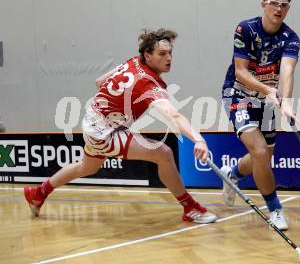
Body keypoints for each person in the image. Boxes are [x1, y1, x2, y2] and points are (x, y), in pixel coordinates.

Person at [24, 28, 217, 224]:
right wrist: (198, 139)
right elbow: (173, 116)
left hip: (93, 120)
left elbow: (99, 82)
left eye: (170, 53)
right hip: (104, 132)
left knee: (87, 167)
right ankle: (190, 208)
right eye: (162, 54)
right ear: (148, 55)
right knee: (163, 153)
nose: (168, 58)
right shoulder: (148, 84)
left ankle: (38, 193)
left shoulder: (133, 61)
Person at [221, 0, 300, 230]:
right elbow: (241, 72)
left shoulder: (291, 37)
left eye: (284, 5)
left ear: (288, 9)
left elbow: (287, 70)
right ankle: (275, 209)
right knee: (259, 152)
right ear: (263, 4)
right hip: (238, 94)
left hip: (265, 100)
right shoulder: (246, 29)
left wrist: (286, 101)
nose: (278, 8)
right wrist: (267, 89)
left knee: (264, 157)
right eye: (274, 3)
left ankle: (231, 174)